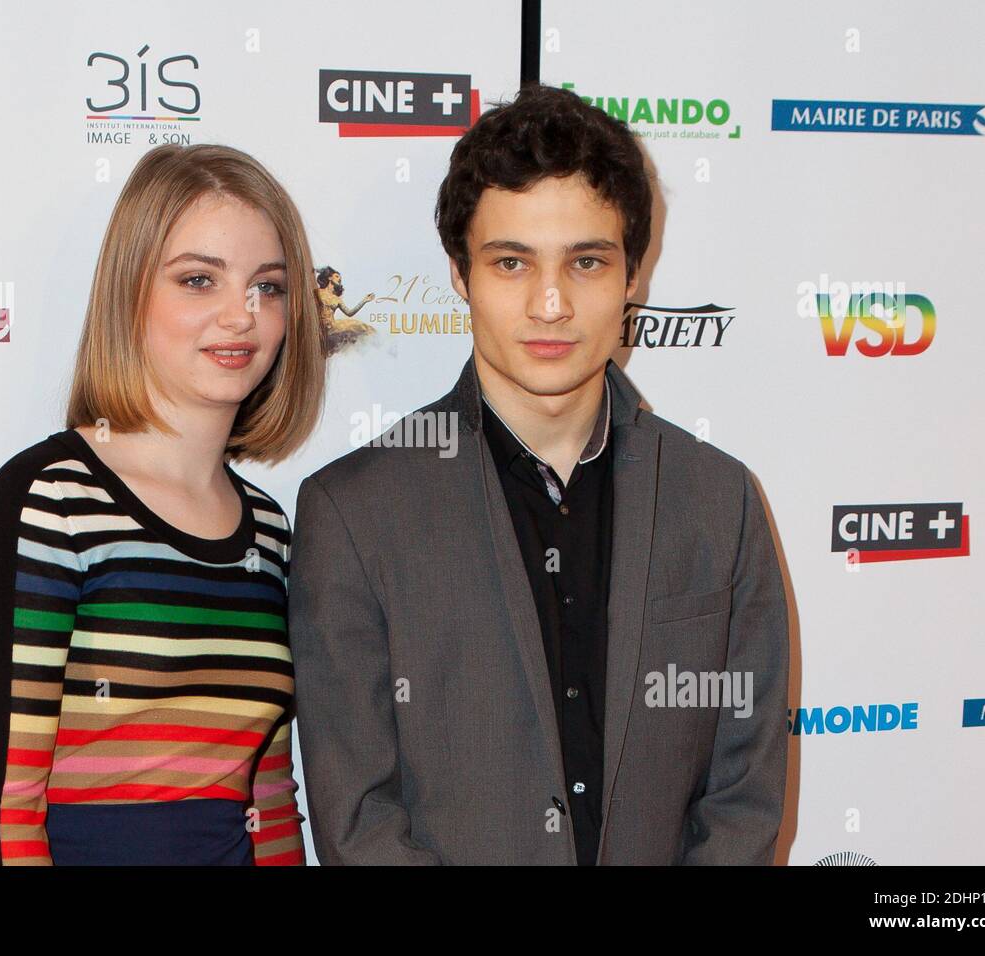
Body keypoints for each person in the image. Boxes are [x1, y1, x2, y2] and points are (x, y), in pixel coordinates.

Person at [287, 84, 790, 865]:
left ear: (633, 278)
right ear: (460, 274)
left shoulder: (719, 500)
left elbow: (744, 797)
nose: (550, 304)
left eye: (586, 262)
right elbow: (359, 818)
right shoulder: (354, 514)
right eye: (512, 262)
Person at [0, 143, 323, 865]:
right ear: (130, 291)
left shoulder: (270, 530)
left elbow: (271, 802)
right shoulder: (46, 504)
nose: (240, 316)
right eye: (199, 280)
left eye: (267, 287)